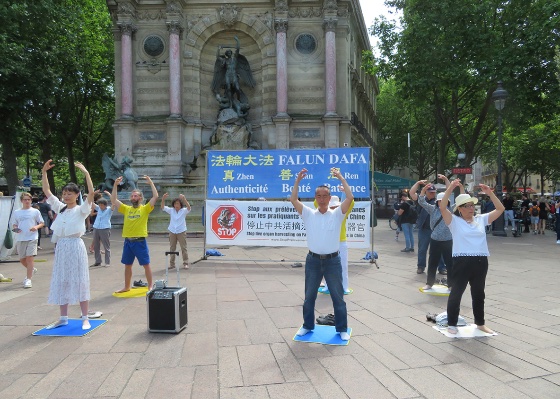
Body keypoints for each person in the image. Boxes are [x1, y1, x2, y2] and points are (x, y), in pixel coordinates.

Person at [291, 168, 354, 341]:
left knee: (338, 297)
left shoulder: (337, 214)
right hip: (313, 260)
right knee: (309, 296)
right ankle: (307, 325)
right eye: (318, 196)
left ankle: (341, 328)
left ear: (329, 197)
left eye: (325, 196)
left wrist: (341, 177)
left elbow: (349, 198)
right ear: (315, 198)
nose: (322, 199)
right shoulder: (309, 214)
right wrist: (297, 181)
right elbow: (293, 199)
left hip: (333, 261)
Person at [439, 180, 504, 335]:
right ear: (459, 209)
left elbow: (500, 209)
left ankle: (480, 323)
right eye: (466, 206)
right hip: (462, 261)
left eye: (471, 205)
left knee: (478, 293)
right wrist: (450, 188)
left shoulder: (481, 219)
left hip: (481, 261)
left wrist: (490, 193)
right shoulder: (454, 222)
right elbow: (442, 207)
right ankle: (452, 323)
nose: (470, 208)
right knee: (457, 292)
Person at [41, 159, 94, 330]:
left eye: (70, 193)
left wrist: (86, 174)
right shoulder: (61, 208)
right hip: (62, 246)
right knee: (62, 280)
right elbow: (47, 191)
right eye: (64, 193)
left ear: (77, 194)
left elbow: (91, 194)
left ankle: (85, 317)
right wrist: (44, 173)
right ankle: (63, 317)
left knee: (80, 280)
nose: (66, 195)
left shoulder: (81, 210)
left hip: (75, 245)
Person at [111, 175, 159, 293]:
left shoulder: (145, 209)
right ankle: (127, 286)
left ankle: (150, 286)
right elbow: (113, 200)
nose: (133, 197)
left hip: (139, 241)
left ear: (140, 198)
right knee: (127, 265)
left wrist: (151, 182)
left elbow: (156, 196)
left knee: (146, 265)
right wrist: (115, 185)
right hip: (128, 241)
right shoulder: (126, 209)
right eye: (132, 196)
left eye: (136, 195)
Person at [316, 195, 354, 295]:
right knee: (327, 266)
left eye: (335, 206)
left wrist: (345, 191)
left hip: (341, 243)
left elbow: (351, 202)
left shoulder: (343, 214)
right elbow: (316, 203)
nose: (334, 208)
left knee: (343, 266)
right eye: (331, 206)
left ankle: (344, 287)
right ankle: (328, 287)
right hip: (329, 243)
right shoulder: (324, 214)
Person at [417, 187, 454, 291]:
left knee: (450, 263)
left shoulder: (451, 210)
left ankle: (451, 284)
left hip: (448, 240)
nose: (441, 203)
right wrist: (423, 189)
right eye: (440, 201)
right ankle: (429, 283)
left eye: (444, 201)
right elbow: (421, 201)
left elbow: (461, 200)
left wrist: (452, 184)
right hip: (435, 239)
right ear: (437, 202)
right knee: (432, 262)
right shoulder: (433, 209)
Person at [10, 192, 44, 288]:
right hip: (21, 238)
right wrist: (16, 228)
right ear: (21, 201)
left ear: (31, 200)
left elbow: (42, 222)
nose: (27, 201)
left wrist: (36, 227)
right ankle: (32, 269)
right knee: (22, 259)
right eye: (25, 199)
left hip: (32, 237)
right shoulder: (17, 212)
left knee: (29, 258)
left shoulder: (35, 211)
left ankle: (28, 279)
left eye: (29, 199)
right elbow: (14, 224)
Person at [161, 193, 191, 269]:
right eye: (175, 203)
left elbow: (189, 208)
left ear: (180, 204)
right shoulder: (171, 210)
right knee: (172, 248)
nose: (176, 205)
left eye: (177, 203)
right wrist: (163, 199)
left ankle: (185, 263)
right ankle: (172, 264)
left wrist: (184, 199)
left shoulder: (183, 211)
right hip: (172, 231)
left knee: (183, 247)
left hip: (181, 231)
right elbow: (163, 207)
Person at [90, 197, 112, 267]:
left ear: (105, 205)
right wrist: (92, 194)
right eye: (99, 205)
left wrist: (109, 195)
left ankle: (107, 262)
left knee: (106, 246)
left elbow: (114, 203)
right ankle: (98, 261)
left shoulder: (109, 209)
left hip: (105, 228)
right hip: (96, 227)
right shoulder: (98, 209)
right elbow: (91, 203)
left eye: (102, 205)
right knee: (96, 245)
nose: (100, 206)